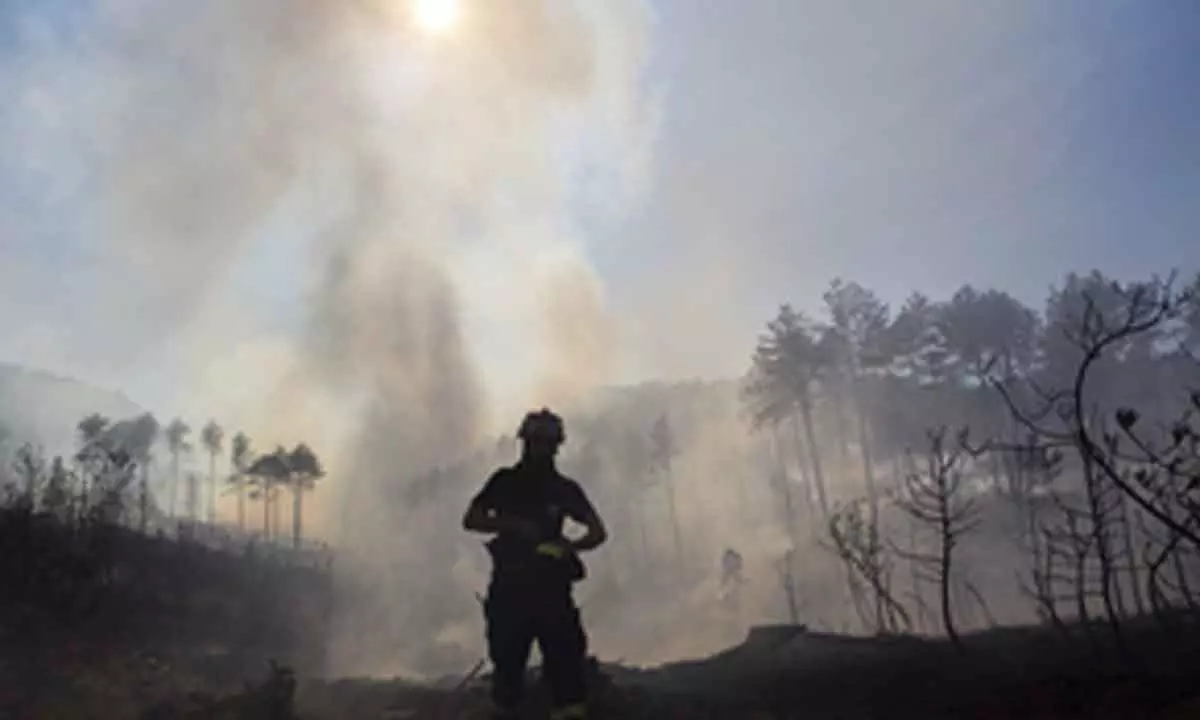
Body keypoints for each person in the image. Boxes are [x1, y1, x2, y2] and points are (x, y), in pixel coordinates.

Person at [462, 408, 608, 720]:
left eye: (547, 443)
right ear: (525, 443)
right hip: (511, 591)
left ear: (556, 446)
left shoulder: (565, 489)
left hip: (551, 591)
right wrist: (512, 525)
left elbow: (597, 532)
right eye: (536, 442)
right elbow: (471, 519)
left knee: (567, 673)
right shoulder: (504, 482)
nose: (541, 449)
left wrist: (568, 546)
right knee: (508, 675)